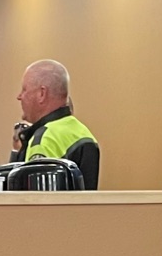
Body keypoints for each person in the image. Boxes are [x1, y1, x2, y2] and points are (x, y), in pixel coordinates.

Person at [11, 61, 100, 189]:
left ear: (42, 94)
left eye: (24, 89)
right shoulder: (83, 132)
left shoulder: (44, 138)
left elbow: (38, 198)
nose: (19, 96)